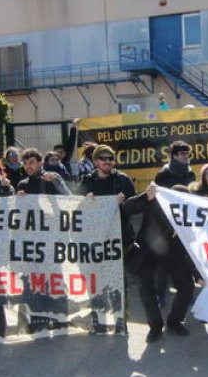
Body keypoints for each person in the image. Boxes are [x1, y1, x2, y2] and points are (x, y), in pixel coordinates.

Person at [123, 184, 196, 342]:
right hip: (149, 251)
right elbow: (127, 207)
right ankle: (155, 326)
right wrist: (145, 196)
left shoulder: (189, 208)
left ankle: (174, 322)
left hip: (175, 253)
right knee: (147, 291)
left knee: (187, 287)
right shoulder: (154, 200)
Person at [78, 144, 138, 248]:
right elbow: (73, 207)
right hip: (95, 239)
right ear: (96, 161)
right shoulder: (87, 181)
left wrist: (124, 203)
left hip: (121, 239)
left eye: (110, 158)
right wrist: (84, 201)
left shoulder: (123, 180)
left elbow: (135, 207)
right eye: (103, 158)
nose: (107, 161)